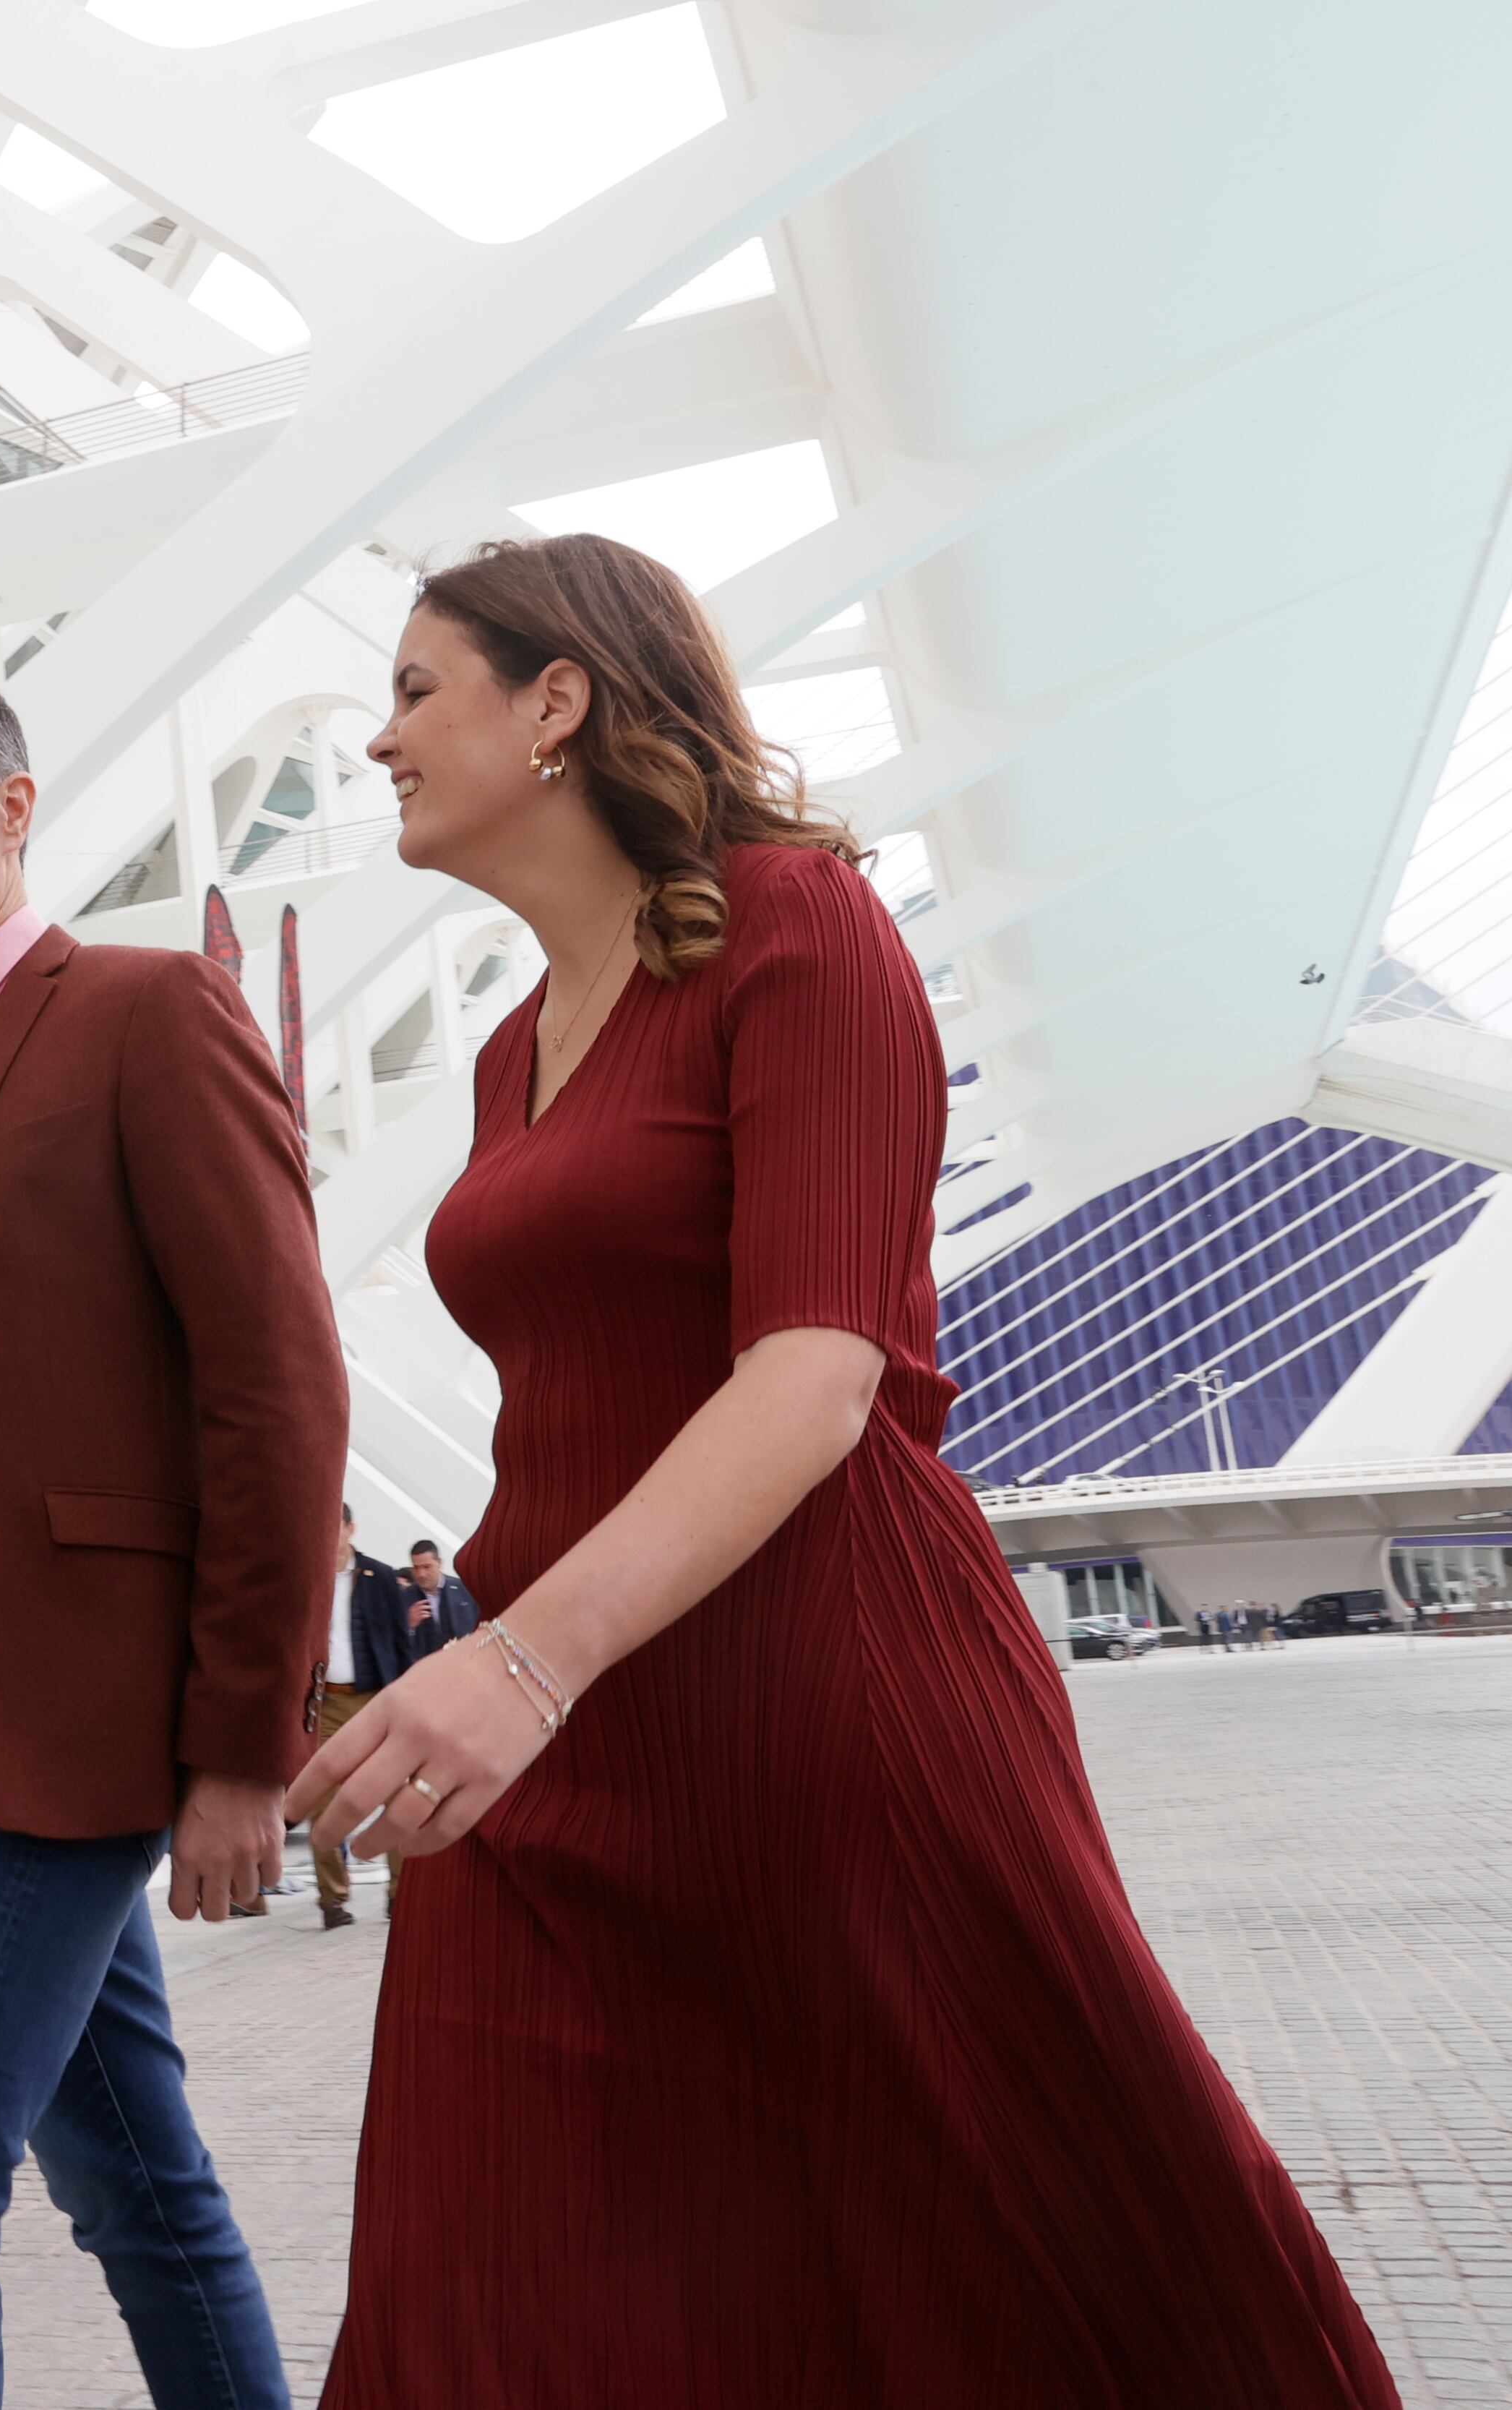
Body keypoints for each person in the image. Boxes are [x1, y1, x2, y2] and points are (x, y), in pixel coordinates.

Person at [295, 533, 1391, 2406]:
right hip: (560, 1737)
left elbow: (815, 1371)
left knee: (1001, 2243)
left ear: (555, 700)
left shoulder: (800, 920)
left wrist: (520, 1658)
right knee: (475, 2266)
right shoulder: (503, 1056)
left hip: (817, 1704)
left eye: (413, 689)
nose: (377, 740)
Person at [0, 662, 343, 2410]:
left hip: (84, 1709)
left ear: (11, 808)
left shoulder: (144, 1015)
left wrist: (244, 1746)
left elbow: (275, 1390)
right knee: (131, 2178)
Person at [305, 1506, 421, 1929]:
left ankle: (400, 1892)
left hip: (375, 1700)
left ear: (349, 1529)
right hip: (326, 1706)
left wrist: (407, 1698)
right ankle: (332, 1900)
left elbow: (400, 1641)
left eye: (333, 1525)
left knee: (397, 1794)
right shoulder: (307, 1577)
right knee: (322, 1799)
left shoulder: (381, 1577)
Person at [401, 1539, 479, 1660]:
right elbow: (398, 1642)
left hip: (464, 1662)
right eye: (416, 1568)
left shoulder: (463, 1590)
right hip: (424, 1668)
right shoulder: (405, 1597)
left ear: (439, 1563)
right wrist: (409, 1625)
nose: (421, 1574)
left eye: (427, 1567)